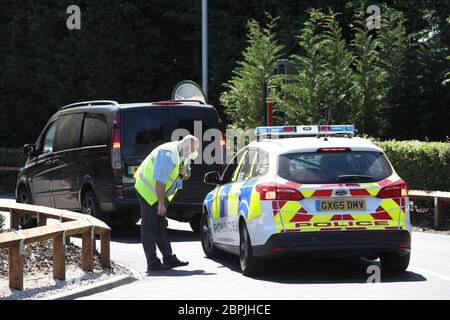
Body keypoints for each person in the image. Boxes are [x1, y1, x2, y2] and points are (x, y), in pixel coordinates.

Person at [134, 135, 200, 272]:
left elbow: (187, 174)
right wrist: (161, 204)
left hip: (160, 194)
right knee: (149, 226)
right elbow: (160, 181)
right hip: (148, 191)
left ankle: (169, 258)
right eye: (193, 151)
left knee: (161, 225)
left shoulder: (184, 152)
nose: (193, 155)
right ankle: (152, 262)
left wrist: (186, 173)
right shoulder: (168, 154)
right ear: (187, 147)